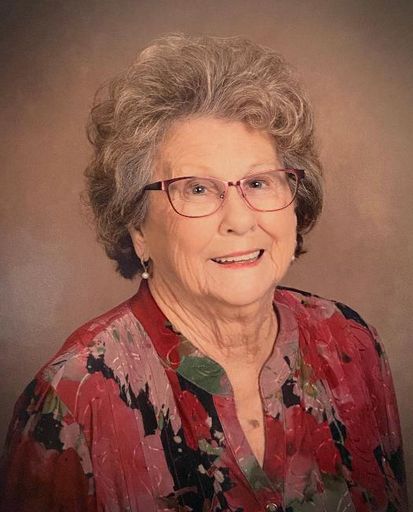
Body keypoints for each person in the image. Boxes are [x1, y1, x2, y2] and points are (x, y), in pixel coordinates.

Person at [0, 34, 407, 512]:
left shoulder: (350, 345)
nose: (239, 219)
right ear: (138, 226)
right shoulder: (74, 400)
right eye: (197, 189)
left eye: (259, 182)